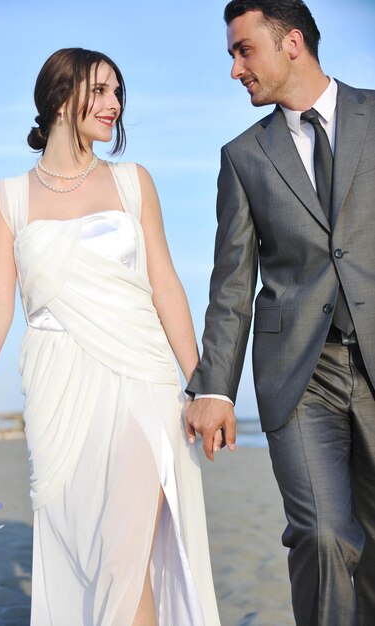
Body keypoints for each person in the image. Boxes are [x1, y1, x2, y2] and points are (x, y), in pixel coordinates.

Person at [0, 48, 221, 626]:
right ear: (59, 98)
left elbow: (167, 287)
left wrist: (207, 386)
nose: (114, 105)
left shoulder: (133, 183)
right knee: (90, 559)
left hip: (141, 380)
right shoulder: (6, 198)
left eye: (117, 92)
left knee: (122, 561)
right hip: (57, 391)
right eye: (99, 91)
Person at [185, 1, 375, 624]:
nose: (236, 68)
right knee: (322, 534)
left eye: (245, 50)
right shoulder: (243, 157)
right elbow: (231, 284)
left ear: (292, 42)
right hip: (300, 374)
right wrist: (214, 388)